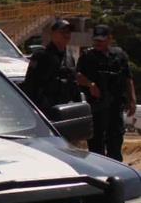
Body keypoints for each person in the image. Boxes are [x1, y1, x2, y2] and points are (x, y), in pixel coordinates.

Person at [77, 24, 137, 161]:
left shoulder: (119, 55)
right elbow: (77, 76)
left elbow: (128, 78)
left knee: (115, 142)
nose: (97, 43)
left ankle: (115, 171)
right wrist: (90, 84)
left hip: (115, 106)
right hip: (97, 107)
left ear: (110, 38)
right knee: (96, 144)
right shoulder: (88, 56)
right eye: (96, 40)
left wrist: (132, 99)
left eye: (101, 40)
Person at [21, 18, 78, 116]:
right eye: (62, 32)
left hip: (65, 109)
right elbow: (30, 85)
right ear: (53, 34)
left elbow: (72, 83)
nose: (66, 35)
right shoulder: (41, 56)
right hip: (46, 110)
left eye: (68, 32)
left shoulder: (69, 56)